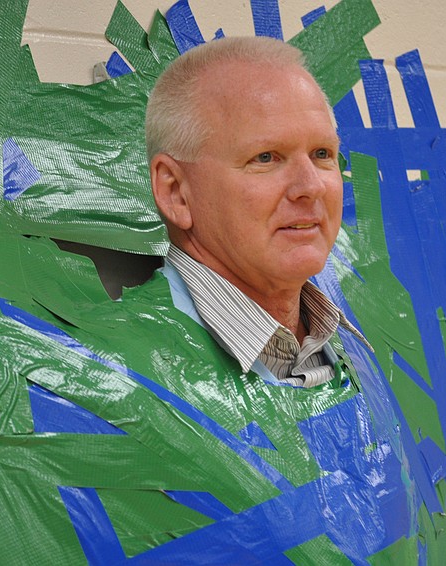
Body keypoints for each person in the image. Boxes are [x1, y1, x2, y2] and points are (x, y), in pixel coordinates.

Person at [146, 36, 371, 387]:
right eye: (265, 157)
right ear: (175, 192)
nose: (310, 187)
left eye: (322, 154)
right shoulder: (120, 373)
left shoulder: (349, 354)